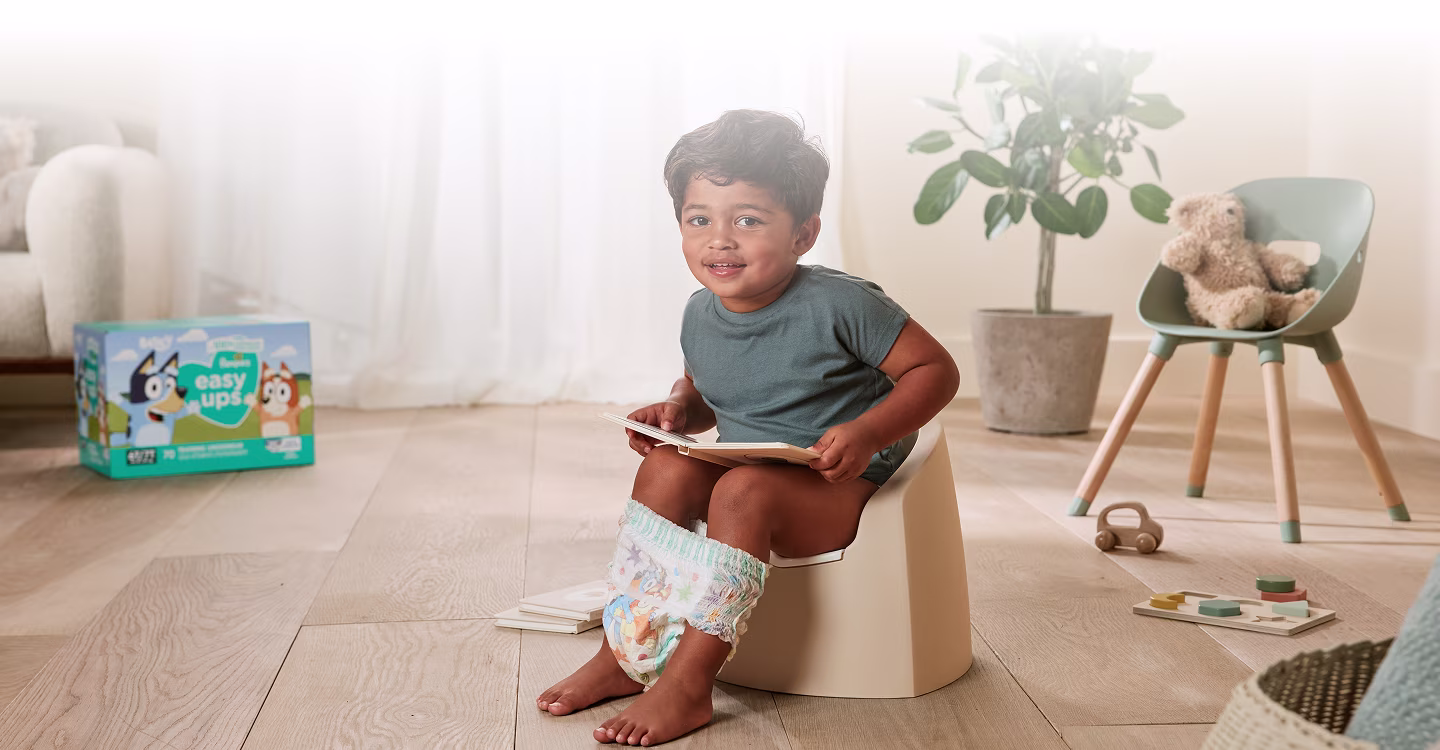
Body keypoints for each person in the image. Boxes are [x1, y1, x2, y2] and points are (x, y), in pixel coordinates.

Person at [536, 109, 960, 746]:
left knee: (743, 492)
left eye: (749, 221)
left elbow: (936, 370)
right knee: (666, 465)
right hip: (751, 465)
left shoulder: (843, 304)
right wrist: (679, 408)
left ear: (804, 233)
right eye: (699, 219)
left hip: (838, 482)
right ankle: (623, 652)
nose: (720, 240)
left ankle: (689, 682)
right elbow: (712, 390)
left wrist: (868, 432)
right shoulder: (700, 314)